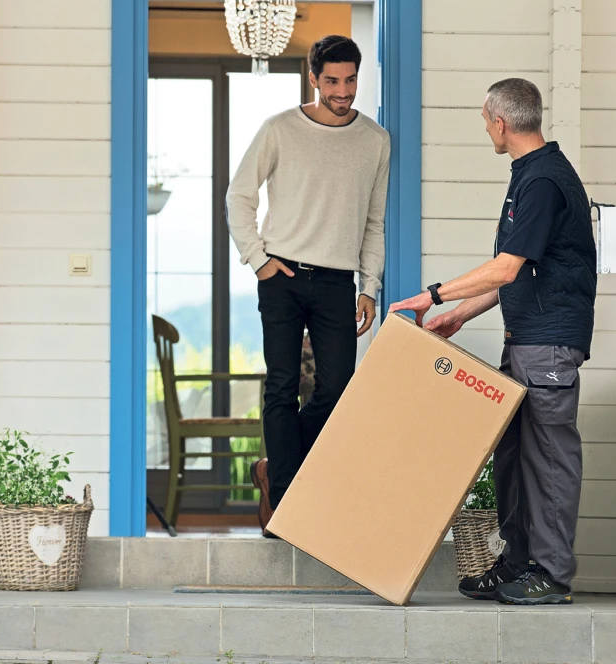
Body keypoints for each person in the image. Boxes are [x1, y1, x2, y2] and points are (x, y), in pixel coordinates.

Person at [388, 78, 596, 605]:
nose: (486, 128)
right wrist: (458, 315)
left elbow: (505, 267)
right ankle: (519, 563)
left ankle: (550, 576)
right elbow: (519, 275)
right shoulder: (531, 174)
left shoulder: (545, 181)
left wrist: (432, 296)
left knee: (547, 460)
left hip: (547, 348)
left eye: (486, 120)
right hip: (525, 340)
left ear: (500, 122)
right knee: (512, 455)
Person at [226, 35, 390, 537]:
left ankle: (271, 469)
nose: (344, 91)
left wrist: (370, 287)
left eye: (351, 80)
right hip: (282, 275)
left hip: (338, 282)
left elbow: (374, 223)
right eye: (333, 81)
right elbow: (239, 197)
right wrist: (259, 261)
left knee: (337, 388)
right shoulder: (279, 130)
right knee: (280, 387)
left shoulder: (376, 141)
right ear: (314, 78)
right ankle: (288, 503)